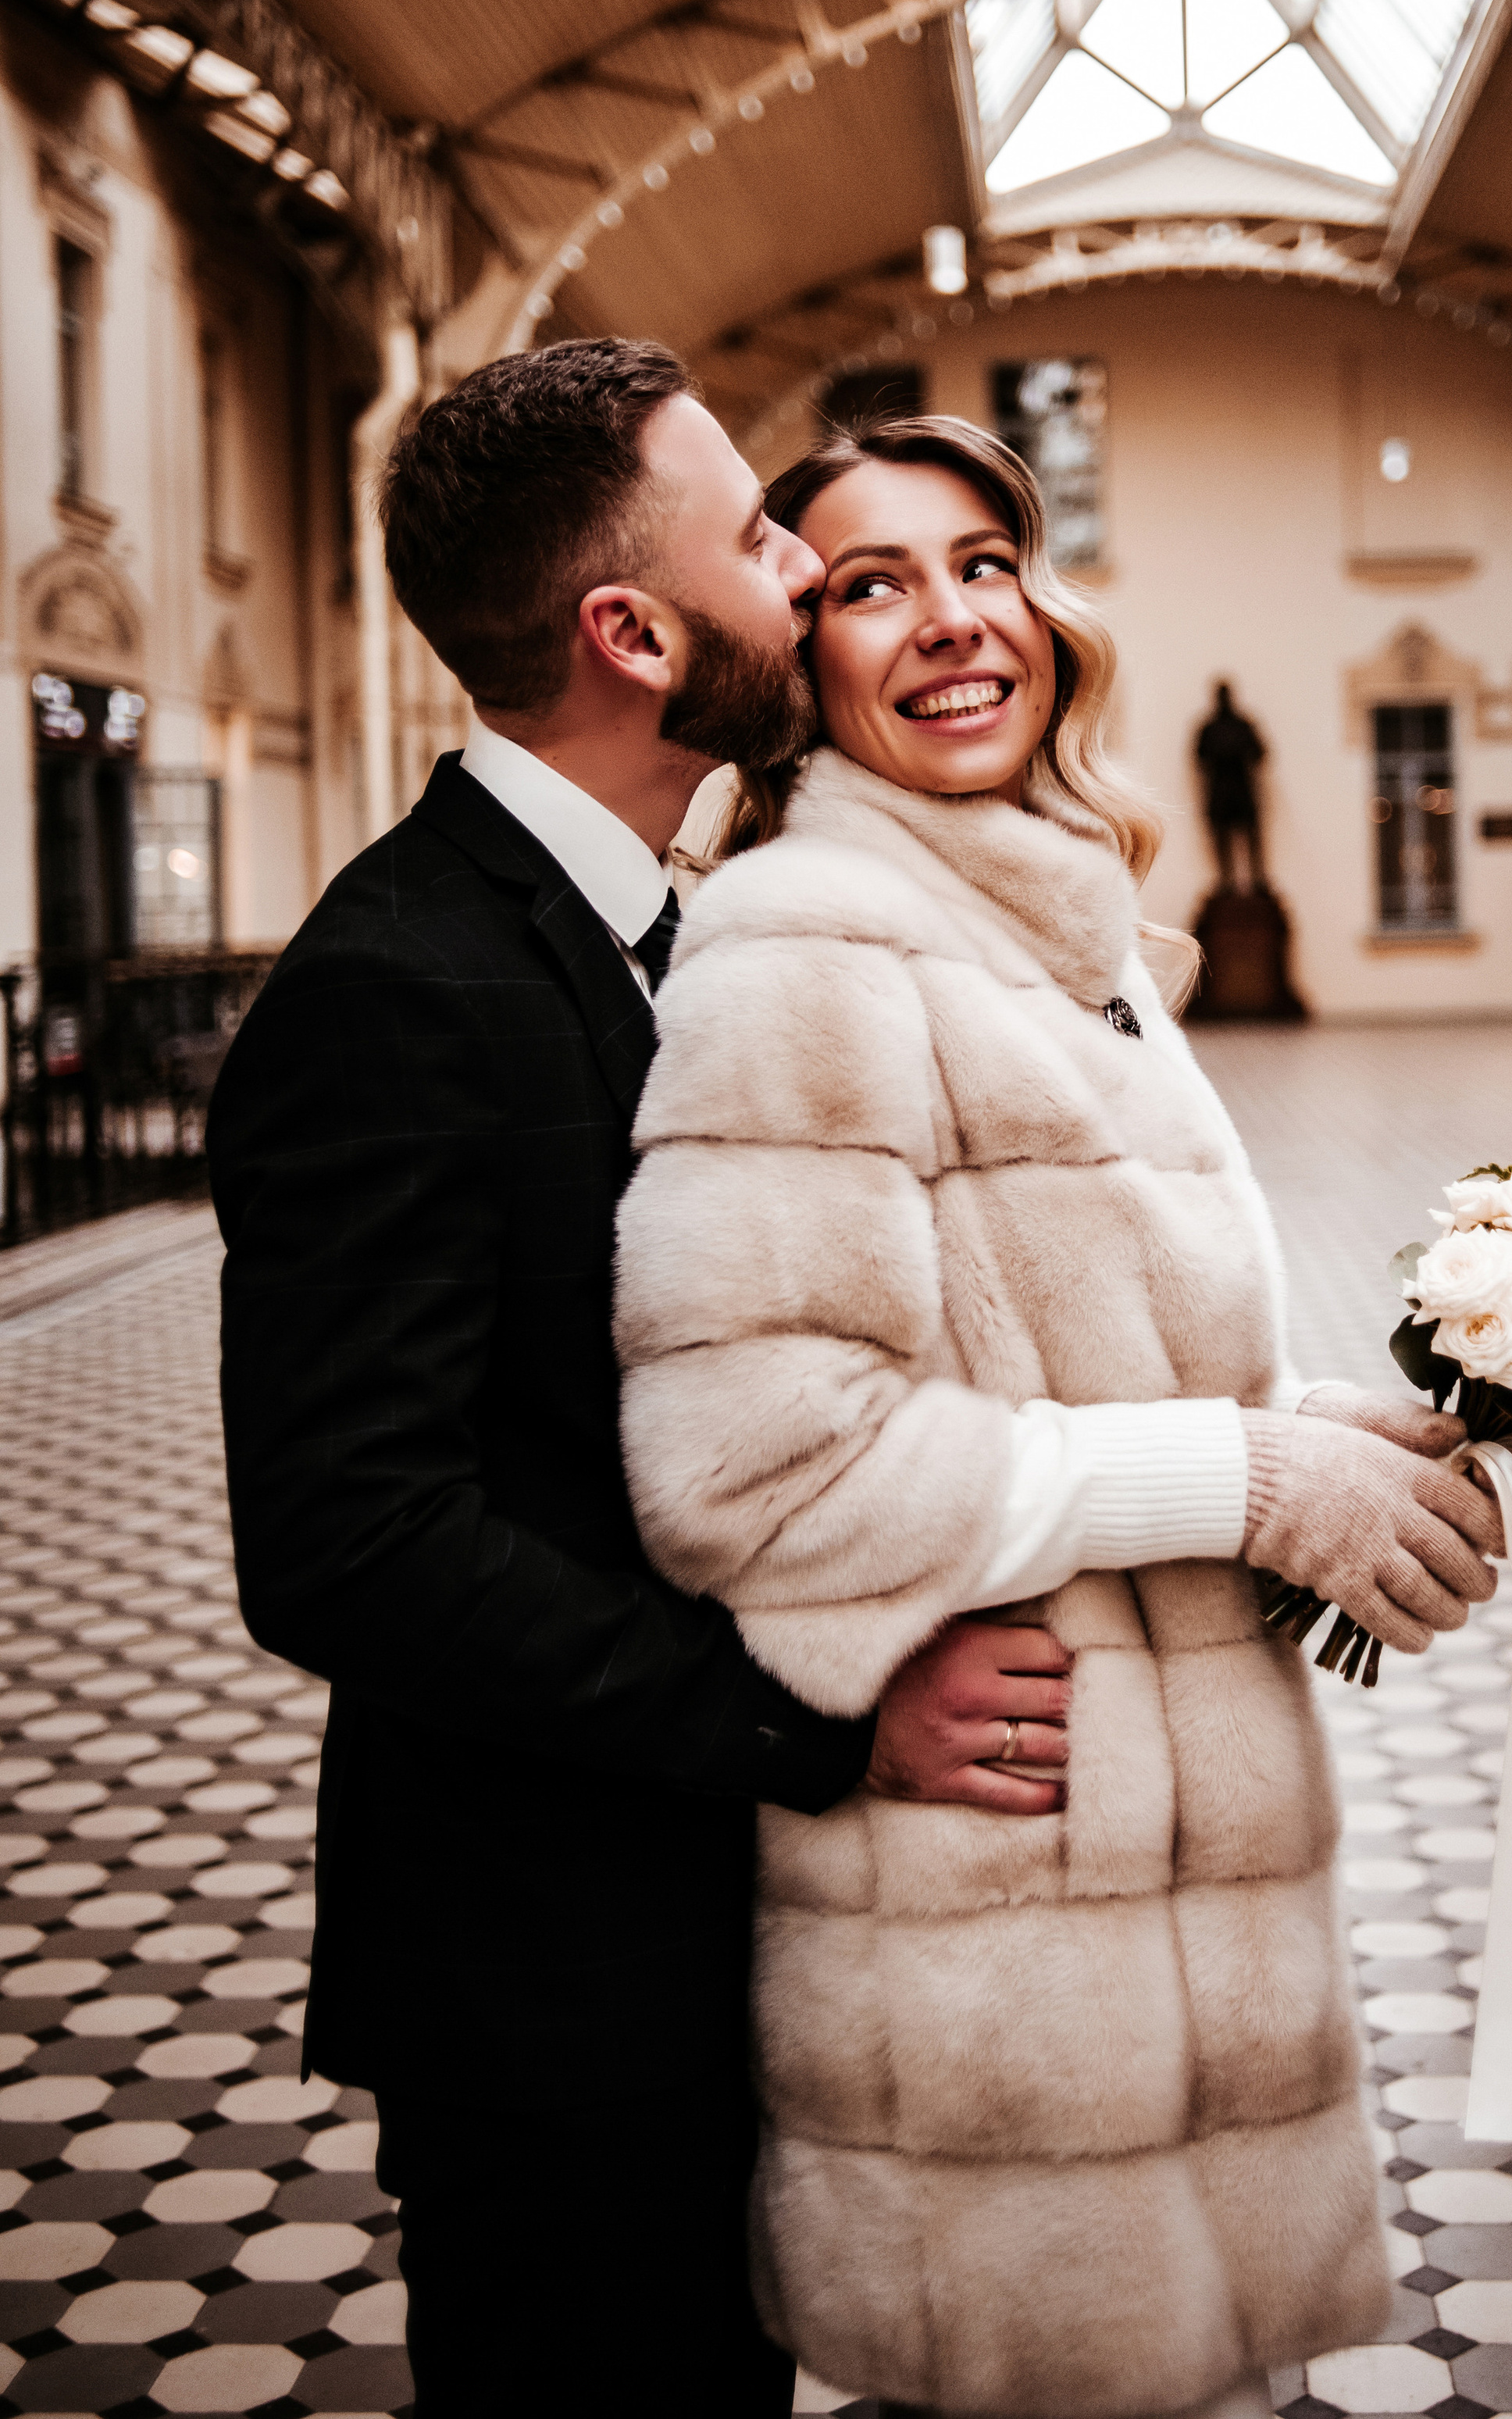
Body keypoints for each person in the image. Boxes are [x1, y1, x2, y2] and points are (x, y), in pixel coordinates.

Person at [207, 341, 1081, 2419]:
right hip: (552, 1987)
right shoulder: (397, 985)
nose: (806, 566)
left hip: (709, 1935)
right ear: (633, 629)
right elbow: (349, 1546)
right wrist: (824, 1719)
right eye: (769, 539)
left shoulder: (672, 931)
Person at [615, 411, 1507, 2419]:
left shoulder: (1068, 936)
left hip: (1176, 1924)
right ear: (801, 653)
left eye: (980, 563)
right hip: (1007, 1954)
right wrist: (1247, 1475)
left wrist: (1344, 1435)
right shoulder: (803, 946)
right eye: (866, 583)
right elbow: (754, 1458)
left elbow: (1092, 1374)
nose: (946, 621)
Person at [1196, 677, 1268, 890]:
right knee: (1222, 839)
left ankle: (1258, 880)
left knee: (1251, 836)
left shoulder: (1243, 725)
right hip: (1220, 790)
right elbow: (1200, 758)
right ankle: (1226, 882)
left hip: (1241, 788)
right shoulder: (1209, 728)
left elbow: (1259, 753)